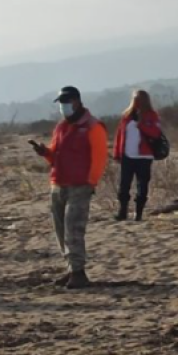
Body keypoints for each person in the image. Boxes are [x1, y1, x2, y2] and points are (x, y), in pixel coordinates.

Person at [30, 86, 108, 290]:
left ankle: (79, 271)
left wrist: (91, 182)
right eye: (61, 103)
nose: (63, 107)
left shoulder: (93, 126)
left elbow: (99, 157)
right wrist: (44, 152)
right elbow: (55, 155)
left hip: (80, 184)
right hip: (58, 182)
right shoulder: (61, 127)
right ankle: (72, 268)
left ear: (77, 101)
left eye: (66, 102)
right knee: (61, 229)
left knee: (74, 227)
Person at [112, 90, 162, 222]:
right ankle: (122, 211)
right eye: (135, 99)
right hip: (127, 155)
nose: (137, 102)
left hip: (144, 156)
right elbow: (119, 136)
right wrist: (117, 153)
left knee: (142, 185)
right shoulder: (126, 116)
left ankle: (138, 213)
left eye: (140, 99)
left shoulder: (152, 116)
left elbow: (155, 133)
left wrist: (141, 124)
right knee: (124, 185)